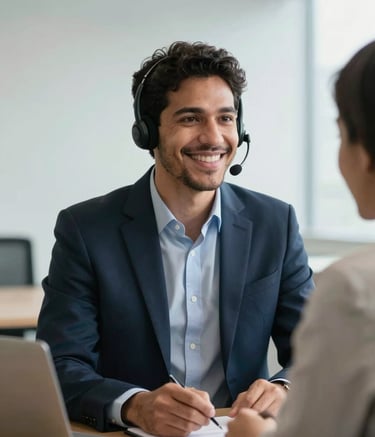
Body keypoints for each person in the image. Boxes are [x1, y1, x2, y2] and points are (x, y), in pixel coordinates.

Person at [36, 41, 314, 436]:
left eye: (226, 118)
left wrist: (285, 388)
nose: (213, 137)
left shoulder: (275, 223)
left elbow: (317, 352)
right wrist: (134, 405)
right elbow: (61, 364)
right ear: (147, 131)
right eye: (190, 119)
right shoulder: (86, 229)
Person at [226, 40, 375, 437]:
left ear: (363, 152)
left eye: (341, 134)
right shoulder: (86, 226)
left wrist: (251, 434)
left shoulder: (353, 288)